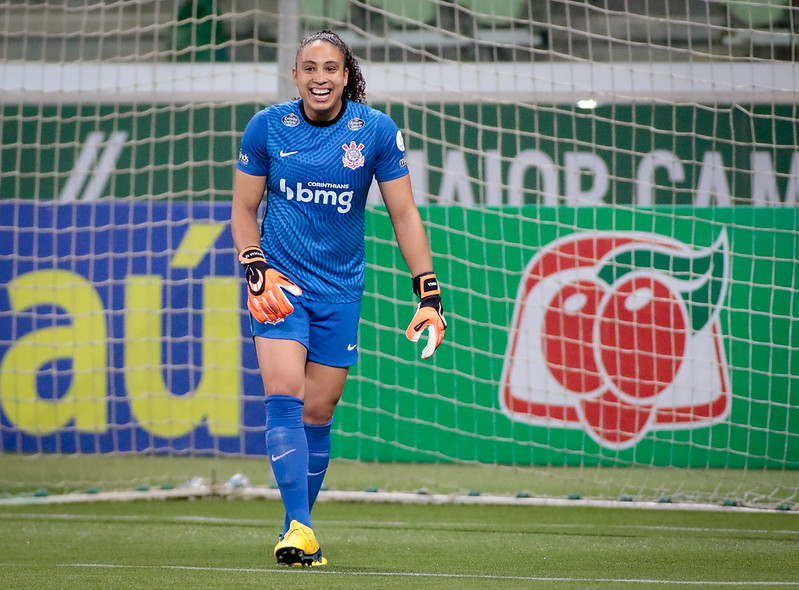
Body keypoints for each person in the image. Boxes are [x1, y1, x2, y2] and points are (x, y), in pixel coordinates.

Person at [230, 29, 447, 567]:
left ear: (346, 75)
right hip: (280, 285)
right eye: (309, 68)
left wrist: (429, 293)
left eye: (330, 68)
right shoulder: (267, 127)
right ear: (296, 75)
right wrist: (255, 268)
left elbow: (404, 215)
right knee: (283, 395)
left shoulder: (374, 131)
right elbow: (242, 209)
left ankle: (295, 528)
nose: (320, 77)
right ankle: (301, 529)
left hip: (340, 288)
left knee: (318, 409)